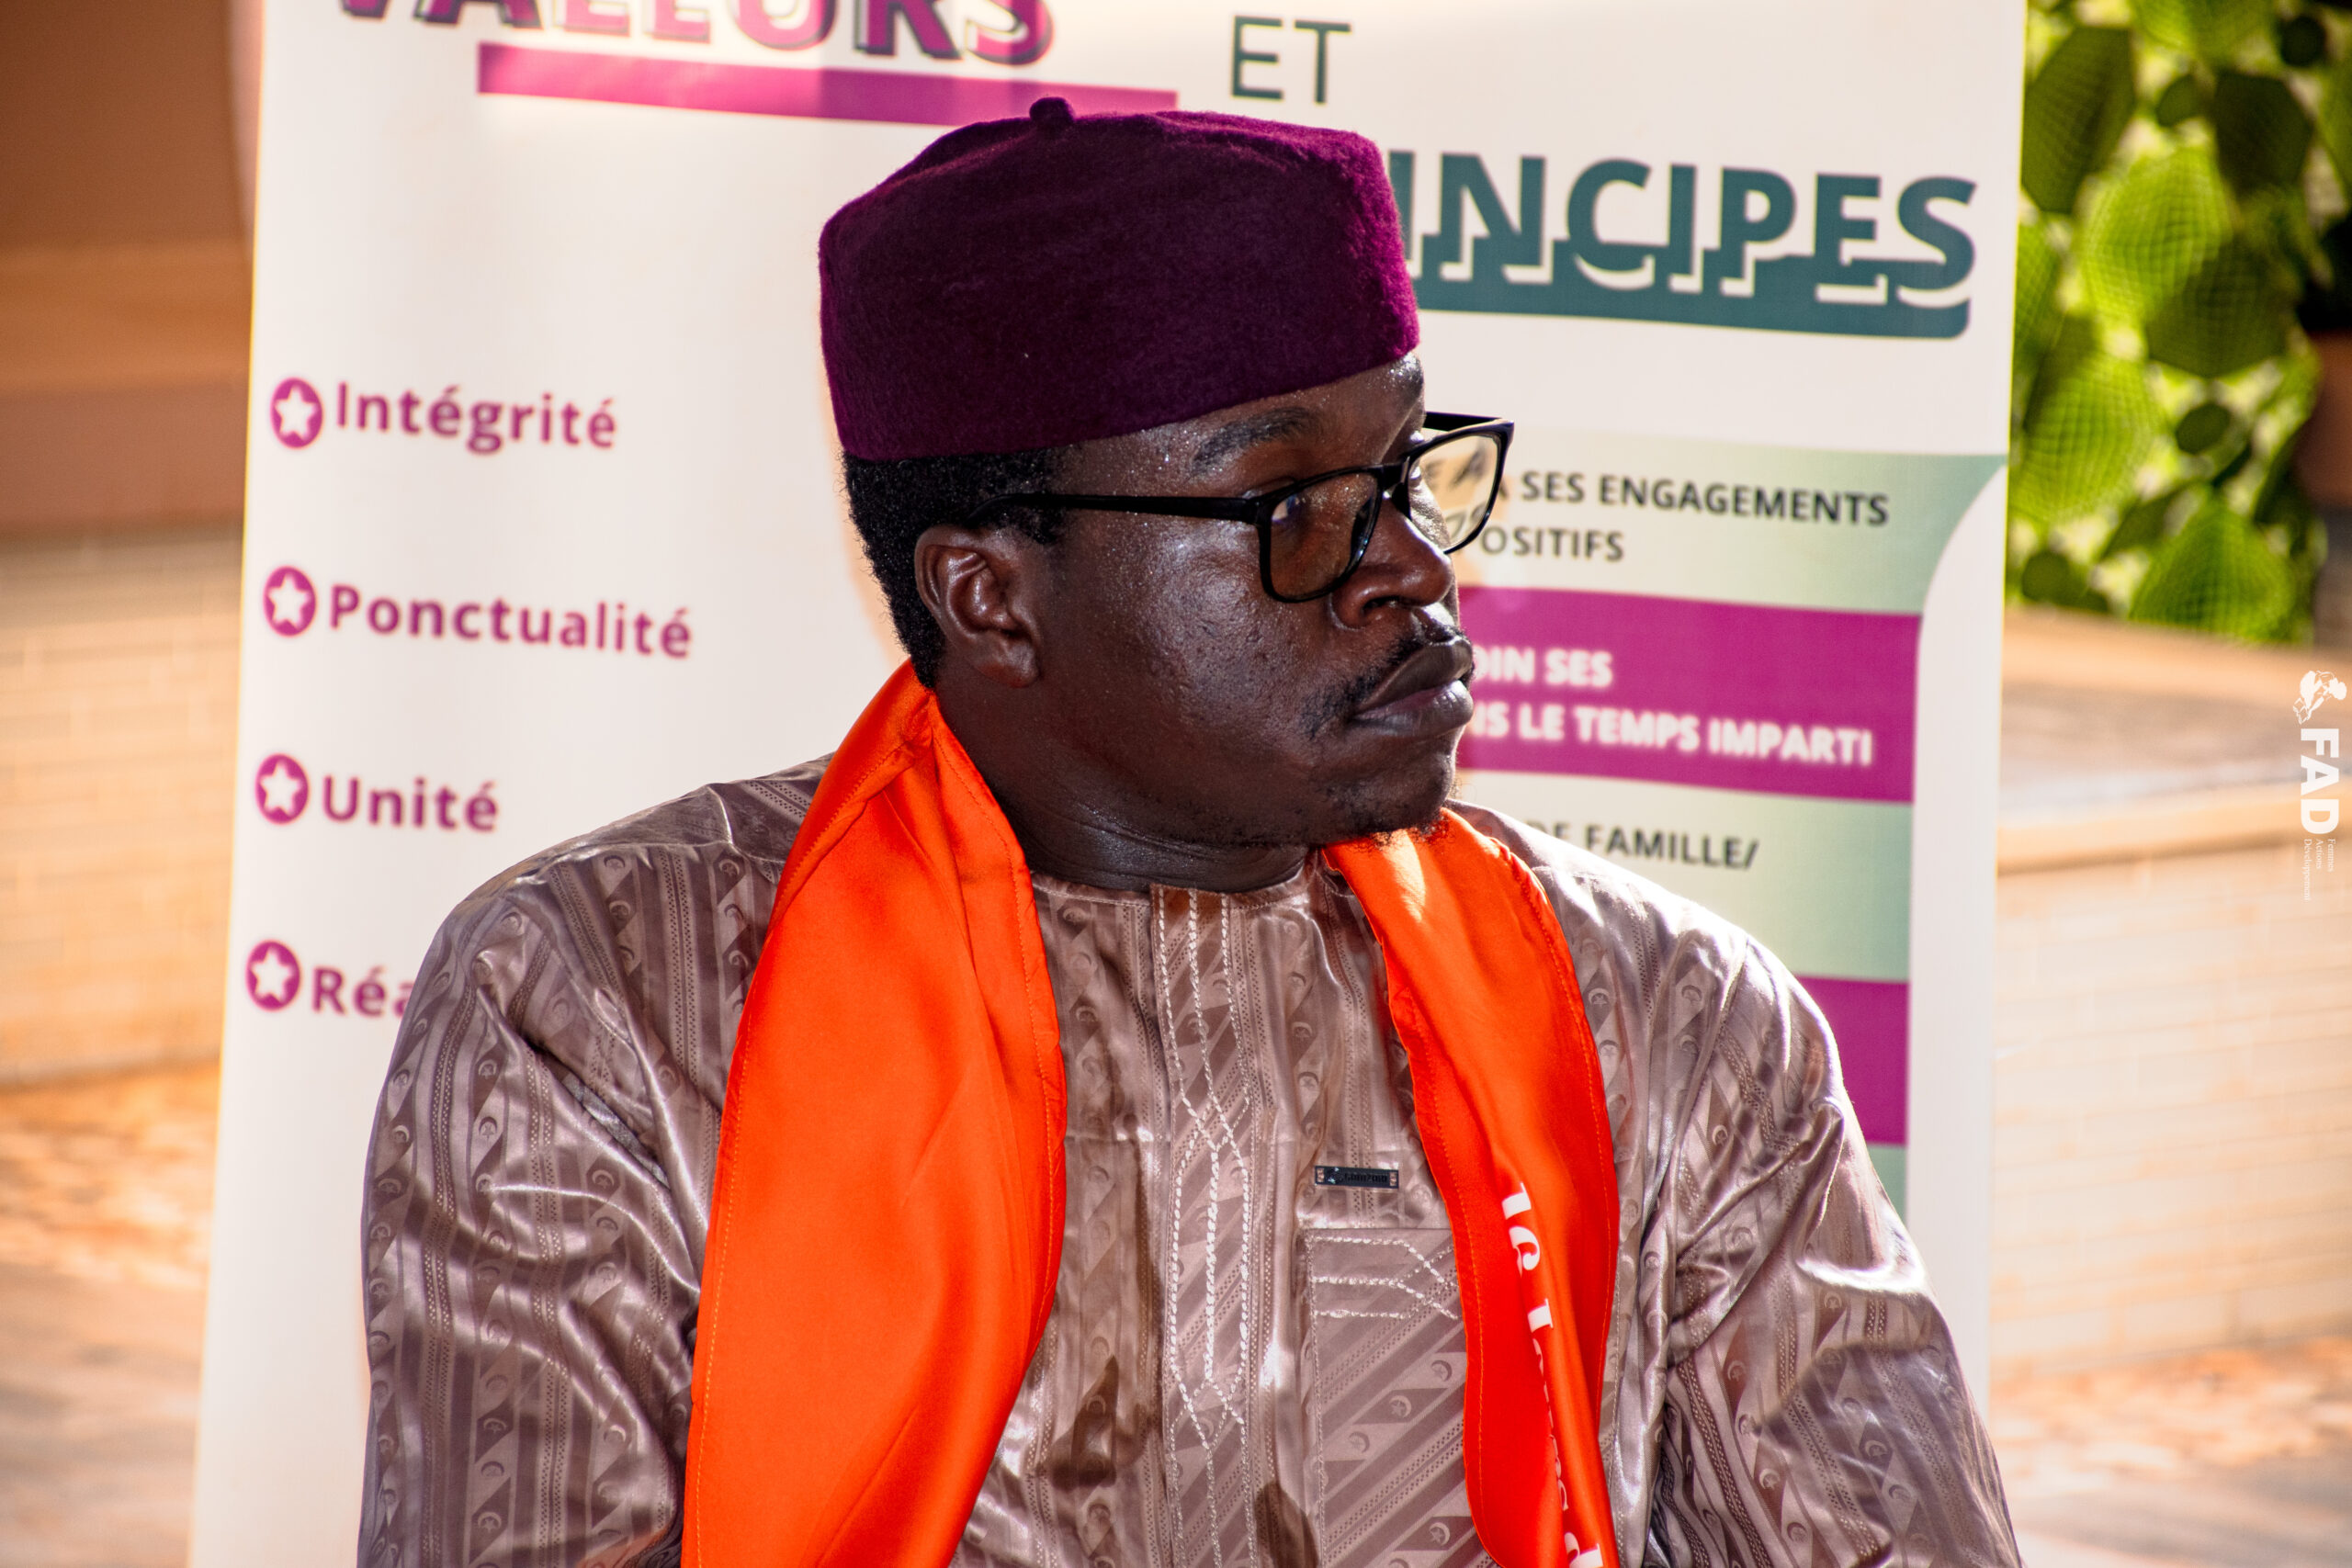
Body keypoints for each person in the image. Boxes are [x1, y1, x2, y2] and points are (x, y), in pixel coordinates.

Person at [358, 100, 2018, 1568]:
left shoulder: (1667, 1018)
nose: (1414, 568)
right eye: (1291, 509)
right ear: (989, 596)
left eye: (1406, 475)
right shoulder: (608, 1005)